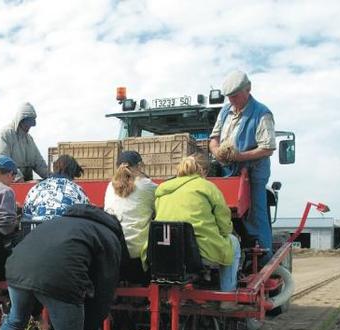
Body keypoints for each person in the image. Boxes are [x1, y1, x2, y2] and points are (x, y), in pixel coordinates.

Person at [209, 70, 276, 262]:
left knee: (255, 212)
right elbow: (214, 138)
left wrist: (240, 156)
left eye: (235, 96)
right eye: (229, 97)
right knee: (224, 210)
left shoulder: (262, 114)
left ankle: (263, 257)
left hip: (254, 170)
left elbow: (267, 148)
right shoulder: (224, 111)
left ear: (248, 90)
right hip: (228, 168)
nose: (231, 100)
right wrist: (216, 151)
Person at [154, 155, 242, 298]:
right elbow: (224, 222)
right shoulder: (207, 187)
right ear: (204, 171)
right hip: (199, 252)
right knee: (233, 242)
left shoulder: (162, 190)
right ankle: (228, 295)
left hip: (166, 253)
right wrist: (224, 232)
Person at [104, 150, 156, 283]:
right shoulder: (147, 186)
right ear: (139, 166)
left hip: (113, 249)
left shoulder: (110, 186)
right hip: (137, 255)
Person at [0, 102, 49, 182]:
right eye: (26, 123)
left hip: (26, 186)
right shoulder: (4, 135)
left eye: (30, 124)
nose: (28, 127)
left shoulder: (29, 140)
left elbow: (39, 163)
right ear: (20, 120)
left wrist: (51, 177)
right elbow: (2, 161)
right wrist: (19, 179)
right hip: (6, 186)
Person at [22, 154, 89, 221]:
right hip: (66, 229)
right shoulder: (78, 191)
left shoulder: (36, 188)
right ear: (73, 172)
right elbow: (85, 217)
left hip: (39, 229)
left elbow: (26, 216)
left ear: (54, 168)